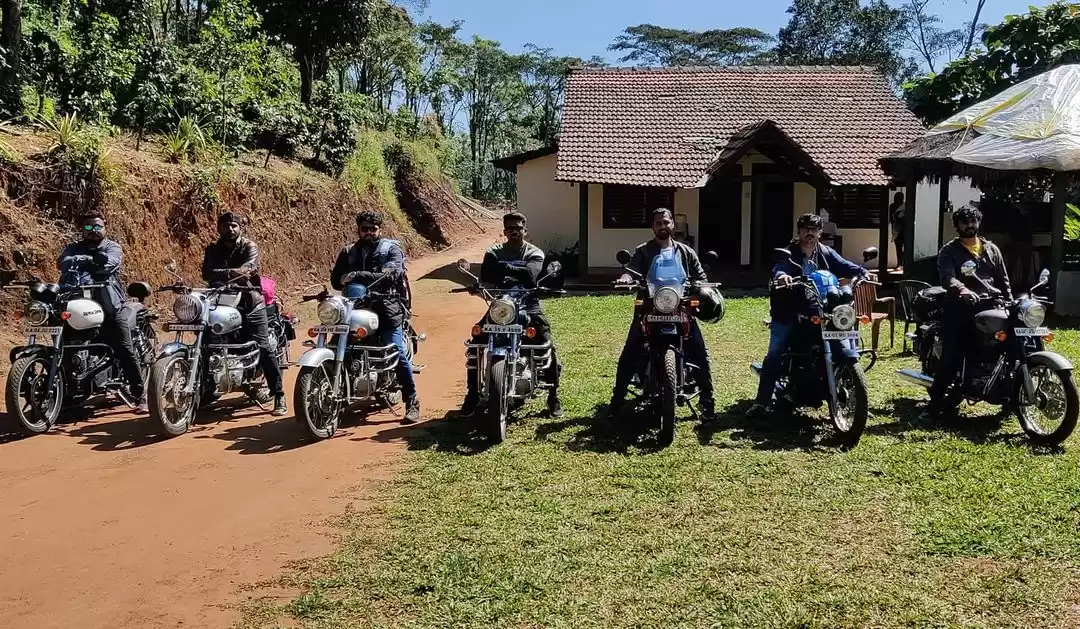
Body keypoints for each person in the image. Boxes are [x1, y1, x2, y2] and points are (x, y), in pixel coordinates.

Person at [746, 213, 870, 418]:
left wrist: (863, 272)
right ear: (799, 231)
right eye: (806, 229)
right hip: (791, 309)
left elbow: (844, 265)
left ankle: (856, 398)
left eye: (814, 229)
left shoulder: (826, 252)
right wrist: (782, 276)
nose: (810, 233)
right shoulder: (789, 253)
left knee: (847, 336)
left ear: (820, 232)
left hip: (823, 308)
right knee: (776, 351)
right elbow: (780, 268)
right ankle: (762, 401)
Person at [610, 207, 715, 419]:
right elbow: (631, 271)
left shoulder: (686, 252)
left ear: (672, 225)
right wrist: (626, 279)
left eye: (666, 222)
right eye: (658, 223)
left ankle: (708, 402)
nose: (663, 226)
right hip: (649, 306)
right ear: (653, 227)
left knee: (699, 351)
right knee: (631, 350)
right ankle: (617, 400)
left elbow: (701, 275)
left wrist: (703, 285)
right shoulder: (643, 251)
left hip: (680, 306)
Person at [460, 212, 563, 418]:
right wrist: (515, 270)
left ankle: (553, 395)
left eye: (518, 228)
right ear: (504, 231)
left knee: (545, 340)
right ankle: (472, 393)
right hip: (502, 305)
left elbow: (530, 275)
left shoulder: (534, 252)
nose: (514, 231)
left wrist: (504, 269)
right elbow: (487, 274)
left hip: (528, 303)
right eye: (510, 228)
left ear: (525, 230)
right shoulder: (494, 250)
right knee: (476, 340)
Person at [331, 210, 420, 424]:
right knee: (337, 346)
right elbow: (336, 281)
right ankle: (340, 394)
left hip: (387, 307)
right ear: (358, 230)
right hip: (355, 307)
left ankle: (412, 401)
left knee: (395, 351)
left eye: (373, 229)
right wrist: (345, 279)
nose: (369, 232)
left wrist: (357, 275)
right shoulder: (348, 251)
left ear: (380, 230)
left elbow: (392, 275)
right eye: (364, 229)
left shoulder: (391, 249)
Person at [923, 205, 1012, 418]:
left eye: (973, 221)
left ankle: (1010, 393)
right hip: (962, 306)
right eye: (964, 222)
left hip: (991, 305)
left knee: (1010, 342)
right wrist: (962, 289)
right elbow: (947, 277)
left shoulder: (991, 249)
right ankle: (935, 404)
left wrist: (1010, 299)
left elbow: (1003, 278)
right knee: (953, 354)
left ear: (979, 223)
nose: (969, 226)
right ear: (957, 226)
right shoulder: (949, 251)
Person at [58, 212, 147, 413]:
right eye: (88, 228)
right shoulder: (72, 247)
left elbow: (107, 266)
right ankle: (67, 392)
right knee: (66, 345)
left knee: (124, 348)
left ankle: (140, 394)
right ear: (82, 230)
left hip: (109, 305)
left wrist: (79, 261)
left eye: (97, 227)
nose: (93, 231)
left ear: (104, 228)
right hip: (77, 304)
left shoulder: (112, 247)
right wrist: (87, 259)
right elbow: (62, 264)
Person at [202, 212, 288, 417]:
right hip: (220, 299)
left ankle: (278, 394)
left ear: (240, 228)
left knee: (263, 345)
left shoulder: (250, 246)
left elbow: (248, 269)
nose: (230, 229)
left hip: (250, 301)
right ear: (218, 228)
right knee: (205, 340)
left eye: (234, 226)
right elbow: (206, 273)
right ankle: (205, 388)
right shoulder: (213, 249)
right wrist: (231, 272)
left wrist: (226, 272)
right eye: (225, 225)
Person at [890, 192, 906, 271]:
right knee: (898, 248)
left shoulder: (906, 206)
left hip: (905, 229)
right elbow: (890, 218)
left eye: (900, 198)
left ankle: (904, 264)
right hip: (896, 229)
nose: (898, 199)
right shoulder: (892, 206)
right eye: (897, 198)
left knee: (905, 249)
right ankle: (899, 264)